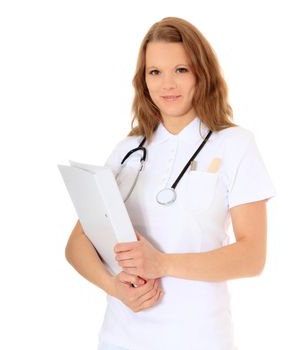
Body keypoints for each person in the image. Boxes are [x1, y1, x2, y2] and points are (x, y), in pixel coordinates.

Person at [65, 17, 275, 350]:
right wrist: (113, 286)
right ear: (143, 80)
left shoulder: (235, 144)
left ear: (201, 73)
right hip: (121, 338)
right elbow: (77, 243)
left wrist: (162, 263)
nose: (167, 84)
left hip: (199, 338)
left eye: (181, 70)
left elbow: (252, 257)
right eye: (155, 72)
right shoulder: (127, 150)